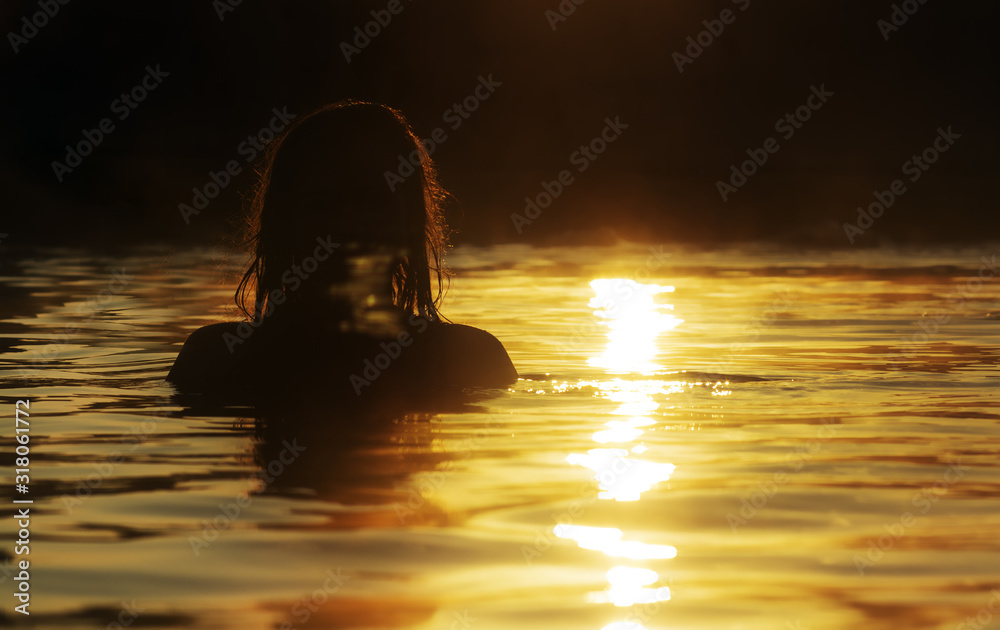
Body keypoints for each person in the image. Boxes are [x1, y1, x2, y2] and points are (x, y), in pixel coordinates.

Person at [166, 101, 516, 403]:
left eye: (370, 201)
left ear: (408, 219)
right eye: (325, 204)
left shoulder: (469, 356)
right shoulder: (215, 357)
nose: (347, 224)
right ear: (284, 221)